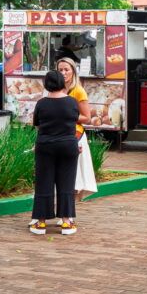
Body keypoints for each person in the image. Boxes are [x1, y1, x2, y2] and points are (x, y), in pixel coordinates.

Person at [29, 70, 80, 236]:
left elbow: (37, 124)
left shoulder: (41, 103)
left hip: (46, 146)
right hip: (68, 145)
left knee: (44, 182)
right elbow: (74, 121)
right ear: (62, 83)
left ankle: (41, 223)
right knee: (66, 183)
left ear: (46, 84)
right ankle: (66, 222)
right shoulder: (72, 102)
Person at [57, 56, 96, 199]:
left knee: (75, 177)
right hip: (58, 136)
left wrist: (67, 115)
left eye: (66, 69)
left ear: (73, 71)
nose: (63, 73)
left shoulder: (78, 91)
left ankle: (69, 212)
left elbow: (87, 117)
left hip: (75, 137)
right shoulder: (56, 90)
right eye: (60, 70)